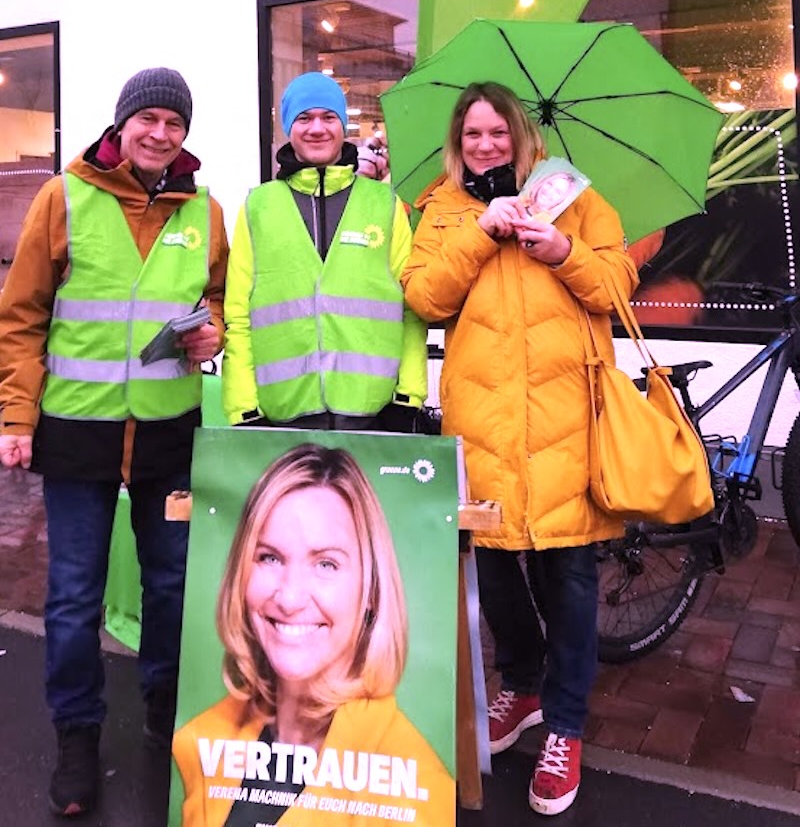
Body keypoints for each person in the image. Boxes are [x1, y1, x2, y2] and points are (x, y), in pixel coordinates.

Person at [401, 82, 638, 816]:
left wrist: (563, 248)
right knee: (497, 567)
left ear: (520, 135)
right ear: (457, 141)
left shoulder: (573, 195)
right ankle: (524, 685)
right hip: (485, 420)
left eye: (497, 132)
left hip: (566, 417)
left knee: (568, 571)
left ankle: (564, 726)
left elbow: (617, 284)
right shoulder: (442, 208)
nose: (485, 146)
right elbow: (423, 296)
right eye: (472, 134)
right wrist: (482, 231)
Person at [0, 67, 229, 817]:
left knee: (171, 587)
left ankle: (165, 715)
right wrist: (14, 416)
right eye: (150, 120)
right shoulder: (62, 199)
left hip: (168, 434)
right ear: (121, 124)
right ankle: (75, 736)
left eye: (175, 123)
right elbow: (22, 315)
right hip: (78, 431)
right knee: (72, 597)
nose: (161, 134)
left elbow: (218, 299)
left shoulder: (206, 211)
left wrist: (214, 334)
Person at [172, 442, 455, 826]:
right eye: (269, 557)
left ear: (371, 591)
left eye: (326, 564)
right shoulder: (202, 744)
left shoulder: (421, 792)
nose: (289, 598)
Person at [222, 72, 427, 433]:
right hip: (282, 412)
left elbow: (411, 309)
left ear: (343, 125)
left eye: (328, 117)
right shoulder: (258, 207)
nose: (317, 128)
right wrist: (243, 406)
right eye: (304, 118)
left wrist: (408, 396)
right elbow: (238, 315)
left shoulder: (385, 204)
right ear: (289, 127)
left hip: (372, 413)